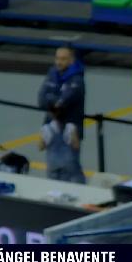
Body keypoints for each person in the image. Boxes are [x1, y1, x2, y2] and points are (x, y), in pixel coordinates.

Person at [37, 47, 86, 183]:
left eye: (63, 59)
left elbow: (64, 102)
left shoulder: (77, 80)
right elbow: (41, 100)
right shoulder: (52, 73)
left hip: (70, 127)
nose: (59, 62)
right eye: (57, 58)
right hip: (52, 125)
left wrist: (51, 99)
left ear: (71, 60)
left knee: (71, 169)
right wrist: (55, 100)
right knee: (52, 170)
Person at [39, 106, 84, 183]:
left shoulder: (46, 128)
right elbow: (76, 146)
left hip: (53, 163)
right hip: (68, 163)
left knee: (53, 184)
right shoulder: (71, 127)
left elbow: (41, 147)